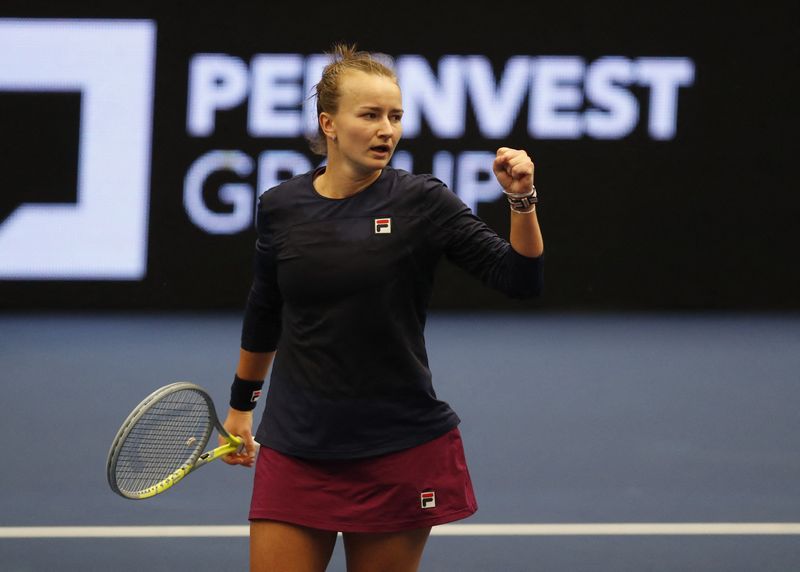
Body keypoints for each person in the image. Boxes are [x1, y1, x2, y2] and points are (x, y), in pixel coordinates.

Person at [220, 43, 544, 572]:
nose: (386, 130)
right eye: (369, 115)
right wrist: (240, 405)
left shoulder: (423, 202)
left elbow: (519, 278)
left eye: (394, 116)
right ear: (329, 123)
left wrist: (521, 200)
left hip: (398, 448)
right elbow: (265, 309)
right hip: (298, 445)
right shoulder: (280, 207)